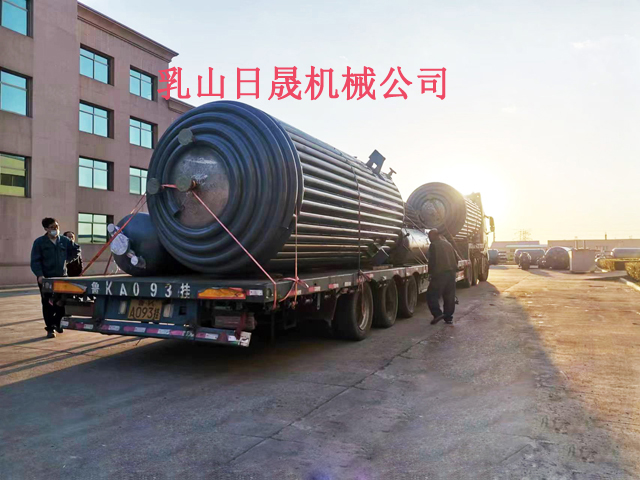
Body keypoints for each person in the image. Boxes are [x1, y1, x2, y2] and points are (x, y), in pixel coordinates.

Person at [30, 218, 81, 338]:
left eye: (56, 227)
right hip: (46, 278)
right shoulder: (39, 242)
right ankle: (50, 328)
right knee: (47, 303)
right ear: (46, 229)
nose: (55, 229)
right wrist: (40, 275)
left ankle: (57, 322)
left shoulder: (64, 240)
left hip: (62, 277)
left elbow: (76, 249)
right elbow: (35, 261)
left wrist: (67, 260)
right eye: (52, 227)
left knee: (63, 301)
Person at [427, 229, 459, 325]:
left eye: (429, 237)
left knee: (431, 295)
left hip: (440, 274)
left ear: (434, 236)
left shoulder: (434, 245)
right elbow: (456, 258)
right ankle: (448, 317)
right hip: (451, 273)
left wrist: (430, 273)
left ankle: (437, 314)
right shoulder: (448, 244)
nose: (429, 239)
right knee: (449, 296)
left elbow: (432, 261)